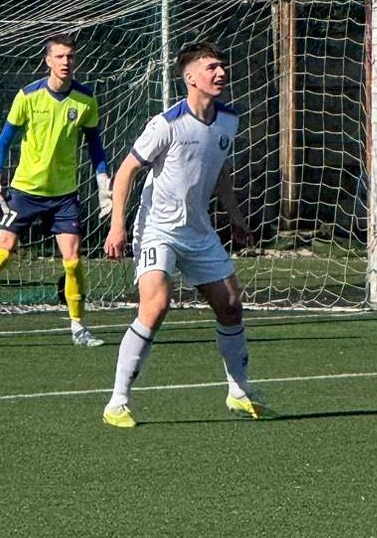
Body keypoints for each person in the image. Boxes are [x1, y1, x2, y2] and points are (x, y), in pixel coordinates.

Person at [101, 42, 265, 427]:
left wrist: (236, 217)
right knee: (156, 305)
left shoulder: (229, 119)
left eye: (222, 66)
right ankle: (117, 402)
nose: (221, 72)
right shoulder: (167, 123)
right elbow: (125, 172)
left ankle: (239, 391)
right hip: (157, 228)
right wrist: (117, 224)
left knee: (231, 305)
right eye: (211, 67)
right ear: (191, 77)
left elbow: (219, 169)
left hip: (199, 230)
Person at [0, 35, 110, 347]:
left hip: (64, 195)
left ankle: (78, 327)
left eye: (70, 56)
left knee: (73, 260)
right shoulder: (28, 96)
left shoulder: (85, 99)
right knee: (4, 250)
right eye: (60, 56)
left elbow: (95, 145)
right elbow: (4, 141)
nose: (66, 62)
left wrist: (103, 186)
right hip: (25, 191)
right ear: (48, 61)